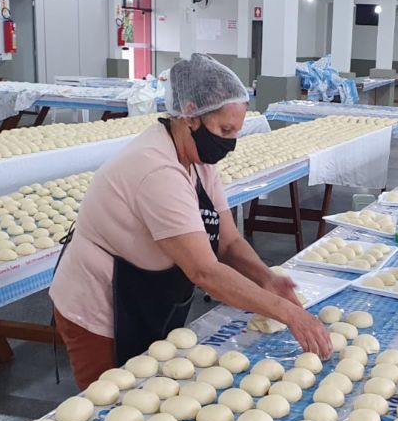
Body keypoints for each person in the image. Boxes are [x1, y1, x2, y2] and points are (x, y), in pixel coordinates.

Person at [50, 54, 331, 389]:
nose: (230, 142)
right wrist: (288, 314)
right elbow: (204, 271)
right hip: (101, 307)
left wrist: (265, 278)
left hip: (144, 295)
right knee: (109, 409)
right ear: (190, 115)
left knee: (149, 394)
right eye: (225, 129)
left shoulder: (199, 159)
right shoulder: (156, 169)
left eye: (236, 131)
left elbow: (227, 242)